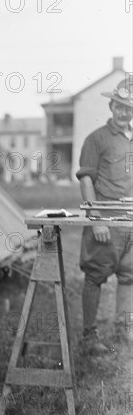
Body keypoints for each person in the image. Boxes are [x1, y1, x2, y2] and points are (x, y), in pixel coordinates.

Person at [76, 78, 133, 356]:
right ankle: (89, 336)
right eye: (120, 106)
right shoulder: (96, 139)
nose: (124, 112)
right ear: (111, 106)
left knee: (130, 277)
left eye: (130, 108)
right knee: (94, 277)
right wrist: (96, 219)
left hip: (131, 222)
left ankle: (123, 331)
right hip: (106, 223)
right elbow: (86, 180)